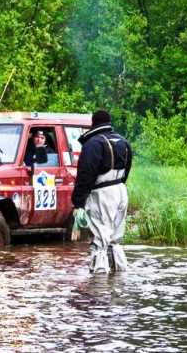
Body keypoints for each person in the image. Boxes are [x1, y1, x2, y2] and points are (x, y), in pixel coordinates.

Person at [72, 110, 133, 274]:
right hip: (121, 190)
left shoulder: (94, 143)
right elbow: (127, 170)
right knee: (115, 239)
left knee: (99, 240)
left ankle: (98, 285)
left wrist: (78, 202)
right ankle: (119, 276)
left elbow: (86, 175)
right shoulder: (123, 142)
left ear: (94, 123)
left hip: (103, 193)